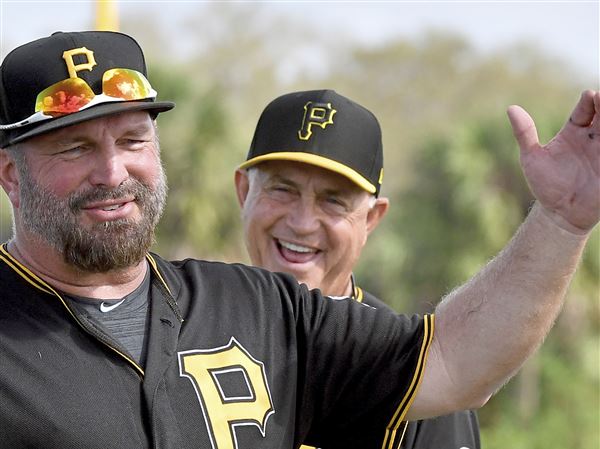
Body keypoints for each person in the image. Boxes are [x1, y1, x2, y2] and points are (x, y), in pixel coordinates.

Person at [0, 31, 597, 449]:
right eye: (74, 147)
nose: (111, 172)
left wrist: (560, 221)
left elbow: (455, 361)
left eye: (132, 140)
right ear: (10, 176)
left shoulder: (261, 305)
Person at [233, 89, 481, 449]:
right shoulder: (187, 331)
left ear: (371, 219)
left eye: (332, 200)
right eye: (282, 189)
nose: (303, 223)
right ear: (244, 192)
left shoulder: (414, 366)